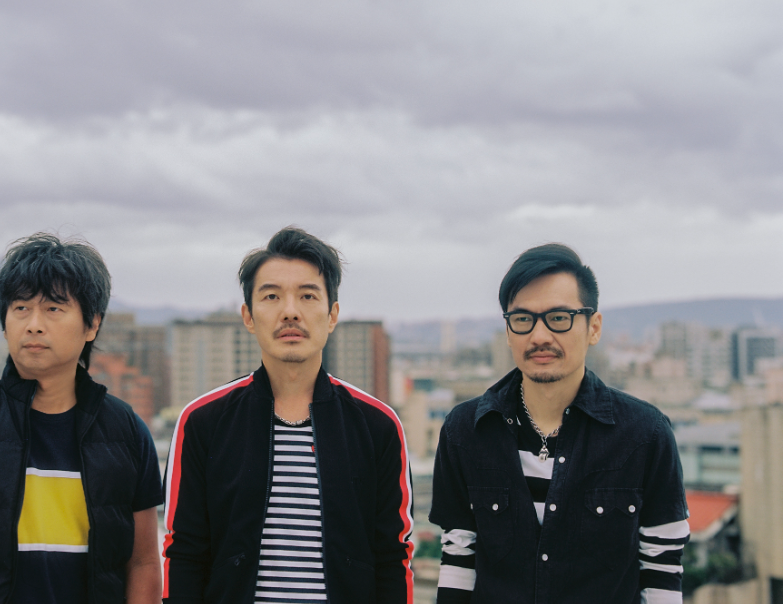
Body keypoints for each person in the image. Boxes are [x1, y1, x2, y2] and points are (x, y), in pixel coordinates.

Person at [0, 233, 163, 604]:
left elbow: (143, 563)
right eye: (21, 308)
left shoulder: (127, 432)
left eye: (54, 309)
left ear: (91, 324)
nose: (34, 324)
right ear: (4, 322)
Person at [162, 227, 414, 603]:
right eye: (271, 296)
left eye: (308, 296)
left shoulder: (376, 425)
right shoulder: (204, 421)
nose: (290, 311)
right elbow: (183, 553)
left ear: (332, 315)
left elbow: (393, 556)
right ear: (248, 316)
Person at [430, 243, 690, 603]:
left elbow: (662, 568)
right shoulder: (465, 430)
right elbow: (459, 557)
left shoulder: (645, 433)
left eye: (558, 318)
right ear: (508, 332)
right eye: (523, 319)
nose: (539, 337)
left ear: (593, 327)